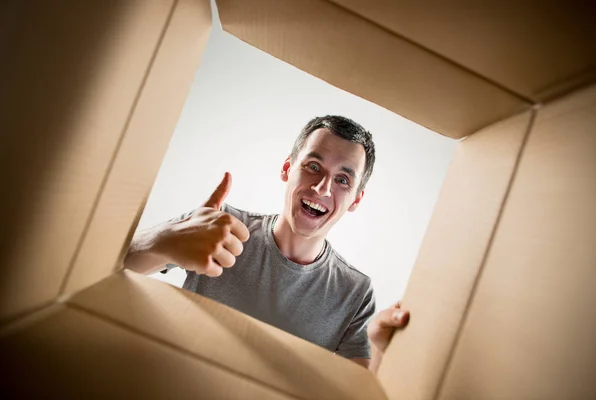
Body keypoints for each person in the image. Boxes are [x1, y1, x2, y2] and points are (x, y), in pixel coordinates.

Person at [125, 116, 409, 371]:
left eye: (343, 180)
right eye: (313, 166)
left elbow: (357, 391)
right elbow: (103, 261)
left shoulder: (355, 293)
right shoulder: (219, 224)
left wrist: (379, 348)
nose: (322, 188)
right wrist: (166, 239)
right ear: (288, 168)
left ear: (356, 200)